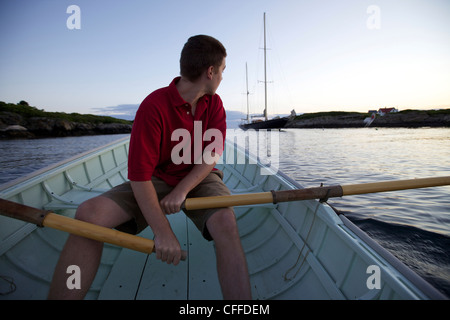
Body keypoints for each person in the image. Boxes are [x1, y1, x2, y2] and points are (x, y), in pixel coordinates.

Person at [48, 35, 252, 300]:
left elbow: (211, 154)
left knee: (226, 221)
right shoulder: (153, 106)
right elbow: (140, 177)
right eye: (223, 70)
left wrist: (181, 191)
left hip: (199, 178)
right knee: (88, 214)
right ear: (210, 72)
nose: (223, 77)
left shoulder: (214, 104)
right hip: (155, 179)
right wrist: (163, 232)